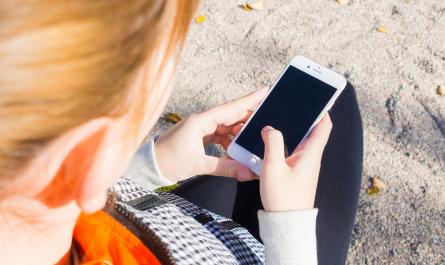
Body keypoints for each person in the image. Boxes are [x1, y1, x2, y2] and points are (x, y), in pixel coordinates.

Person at [0, 0, 363, 264]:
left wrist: (152, 164)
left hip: (171, 224)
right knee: (337, 104)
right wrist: (290, 228)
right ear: (92, 156)